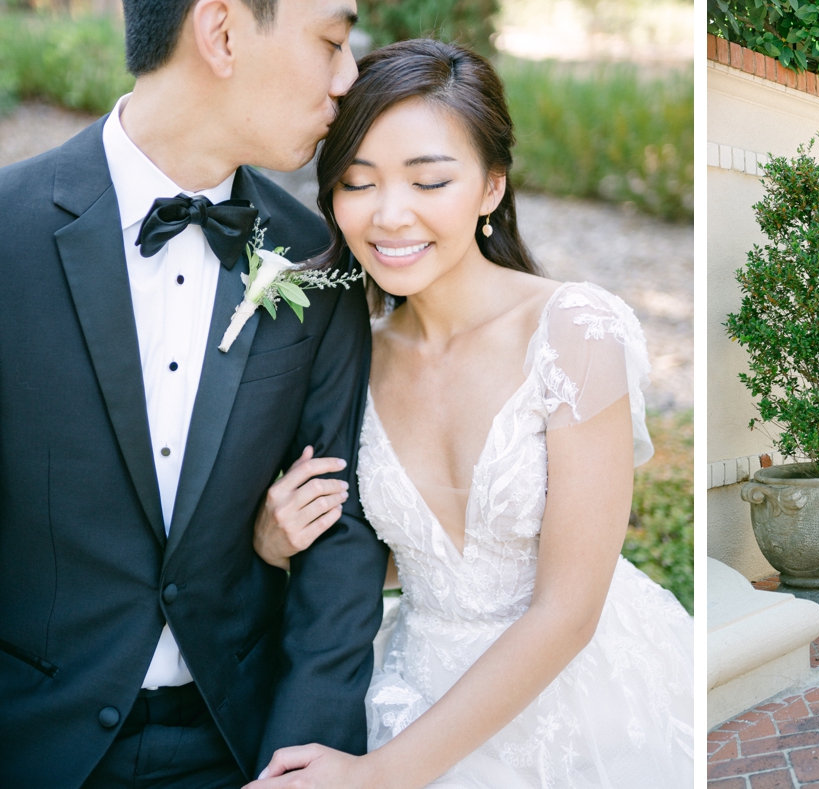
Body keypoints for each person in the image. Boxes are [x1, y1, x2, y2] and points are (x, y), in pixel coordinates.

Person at [0, 0, 387, 786]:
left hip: (238, 743)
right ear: (220, 32)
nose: (348, 77)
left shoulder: (316, 261)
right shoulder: (5, 237)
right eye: (332, 40)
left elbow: (341, 535)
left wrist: (309, 751)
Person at [247, 39, 694, 788]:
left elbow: (568, 612)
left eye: (429, 181)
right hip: (412, 688)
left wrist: (377, 774)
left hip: (583, 708)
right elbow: (401, 554)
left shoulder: (574, 332)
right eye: (358, 183)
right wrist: (273, 542)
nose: (390, 215)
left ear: (490, 186)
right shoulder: (350, 351)